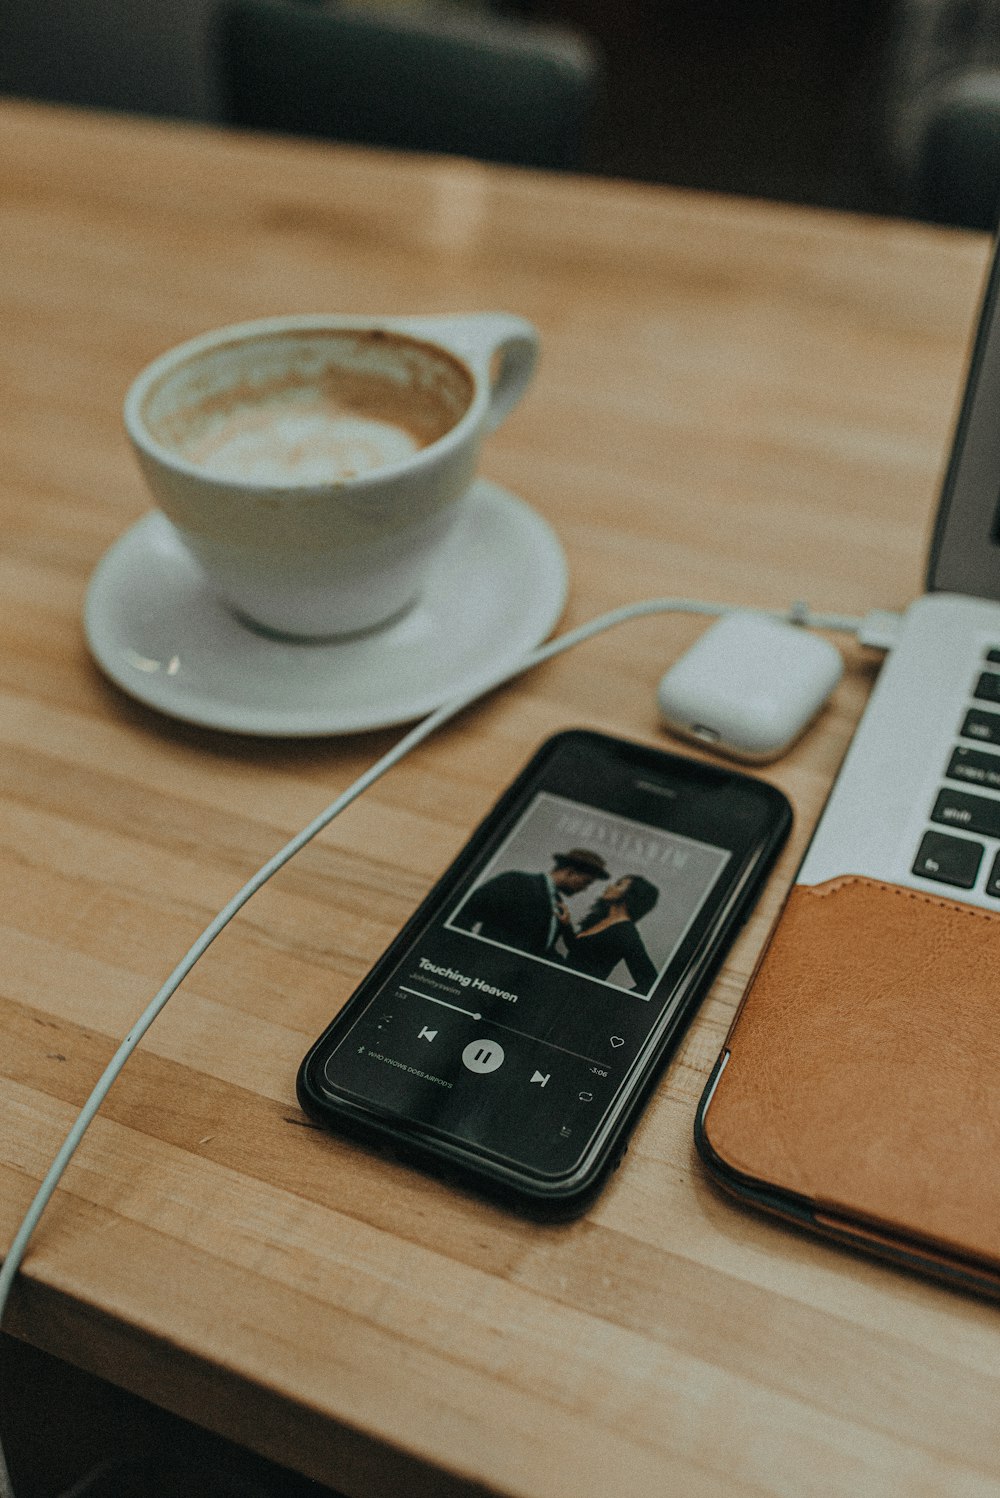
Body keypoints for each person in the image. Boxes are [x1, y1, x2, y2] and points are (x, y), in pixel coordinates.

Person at [453, 847, 608, 957]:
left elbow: (542, 948)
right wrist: (469, 958)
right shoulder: (515, 881)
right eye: (586, 882)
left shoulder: (558, 905)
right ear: (570, 872)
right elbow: (462, 916)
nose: (584, 889)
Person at [558, 874, 660, 992]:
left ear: (632, 895)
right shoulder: (602, 919)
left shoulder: (627, 934)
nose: (610, 886)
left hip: (576, 995)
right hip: (561, 984)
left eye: (618, 885)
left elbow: (650, 983)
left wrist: (610, 999)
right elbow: (577, 949)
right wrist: (566, 924)